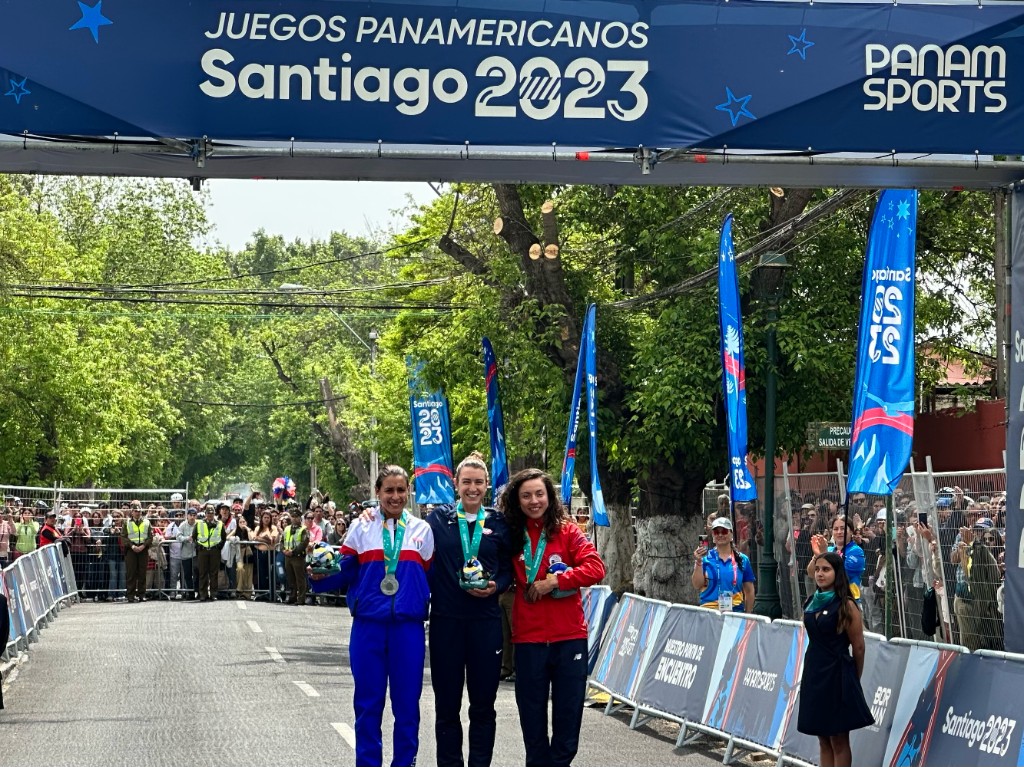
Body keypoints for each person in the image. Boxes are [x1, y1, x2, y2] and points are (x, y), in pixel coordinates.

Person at [499, 468, 606, 767]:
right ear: (516, 500)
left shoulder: (567, 531)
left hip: (569, 638)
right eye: (526, 496)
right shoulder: (511, 535)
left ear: (549, 496)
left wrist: (556, 581)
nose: (534, 501)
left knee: (568, 718)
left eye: (539, 494)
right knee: (532, 721)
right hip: (529, 639)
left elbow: (596, 568)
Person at [337, 466, 434, 767]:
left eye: (401, 490)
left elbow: (428, 577)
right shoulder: (361, 527)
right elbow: (343, 570)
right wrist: (317, 574)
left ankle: (405, 763)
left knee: (407, 706)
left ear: (408, 492)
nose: (395, 496)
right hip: (368, 626)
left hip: (408, 629)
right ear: (377, 493)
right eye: (388, 490)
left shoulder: (422, 530)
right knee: (367, 705)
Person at [424, 452, 512, 767]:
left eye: (478, 482)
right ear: (455, 484)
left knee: (483, 707)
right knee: (447, 706)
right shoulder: (437, 520)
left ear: (487, 485)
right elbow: (408, 538)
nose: (472, 488)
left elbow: (507, 571)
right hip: (446, 623)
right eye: (466, 482)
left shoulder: (500, 523)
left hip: (485, 624)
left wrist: (496, 586)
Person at [797, 551, 874, 767]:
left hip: (838, 674)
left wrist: (853, 679)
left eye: (826, 569)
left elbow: (859, 648)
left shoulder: (846, 605)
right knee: (823, 738)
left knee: (839, 739)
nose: (820, 574)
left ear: (837, 572)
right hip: (814, 672)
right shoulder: (811, 601)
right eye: (818, 569)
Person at [691, 516, 756, 613]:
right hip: (709, 613)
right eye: (716, 532)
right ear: (713, 536)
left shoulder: (743, 560)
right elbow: (697, 585)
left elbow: (749, 591)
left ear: (731, 535)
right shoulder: (704, 558)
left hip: (735, 613)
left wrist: (748, 616)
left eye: (724, 531)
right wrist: (698, 562)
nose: (720, 535)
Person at [807, 514, 865, 606]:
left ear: (851, 531)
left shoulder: (856, 551)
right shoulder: (829, 550)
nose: (839, 532)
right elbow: (811, 573)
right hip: (827, 602)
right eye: (835, 529)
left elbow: (841, 575)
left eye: (843, 528)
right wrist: (816, 555)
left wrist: (823, 555)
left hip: (848, 603)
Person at [193, 505, 224, 602]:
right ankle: (203, 594)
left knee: (214, 573)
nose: (210, 515)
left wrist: (219, 547)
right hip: (203, 550)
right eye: (208, 513)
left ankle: (214, 594)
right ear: (205, 514)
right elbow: (194, 537)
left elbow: (223, 537)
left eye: (212, 513)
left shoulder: (219, 524)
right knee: (203, 573)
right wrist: (198, 547)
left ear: (214, 514)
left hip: (215, 551)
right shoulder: (199, 524)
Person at [122, 504, 152, 603]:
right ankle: (130, 595)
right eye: (135, 511)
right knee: (131, 573)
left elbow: (150, 537)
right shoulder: (127, 522)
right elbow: (124, 537)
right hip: (131, 550)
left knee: (142, 573)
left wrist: (143, 546)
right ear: (132, 512)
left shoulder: (147, 522)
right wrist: (132, 546)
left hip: (143, 549)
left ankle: (142, 595)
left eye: (139, 511)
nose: (137, 513)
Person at [282, 513, 309, 605]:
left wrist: (293, 552)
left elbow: (304, 543)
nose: (294, 518)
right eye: (293, 516)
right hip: (287, 556)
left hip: (298, 556)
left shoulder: (303, 529)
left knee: (300, 578)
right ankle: (292, 597)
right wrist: (284, 550)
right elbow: (282, 540)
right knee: (291, 578)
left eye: (296, 517)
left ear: (300, 518)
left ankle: (301, 598)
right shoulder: (287, 528)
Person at [253, 509, 279, 600]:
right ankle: (262, 593)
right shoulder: (257, 528)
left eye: (268, 517)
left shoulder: (273, 528)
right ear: (261, 518)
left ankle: (270, 593)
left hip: (270, 553)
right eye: (265, 517)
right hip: (260, 553)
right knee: (261, 573)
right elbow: (254, 539)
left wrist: (261, 539)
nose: (266, 519)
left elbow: (272, 541)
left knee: (270, 573)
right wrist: (264, 539)